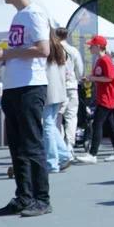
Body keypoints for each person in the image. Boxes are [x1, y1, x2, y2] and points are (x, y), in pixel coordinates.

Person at [0, 0, 53, 217]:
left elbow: (43, 49)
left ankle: (42, 199)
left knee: (32, 144)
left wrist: (7, 54)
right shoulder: (19, 16)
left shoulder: (34, 13)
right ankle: (24, 196)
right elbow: (22, 50)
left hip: (30, 86)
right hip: (15, 86)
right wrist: (1, 60)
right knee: (17, 146)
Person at [75, 35, 114, 164]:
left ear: (98, 47)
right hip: (104, 96)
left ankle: (93, 154)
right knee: (110, 124)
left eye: (91, 46)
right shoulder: (100, 60)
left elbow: (109, 77)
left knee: (97, 124)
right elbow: (101, 76)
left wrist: (93, 78)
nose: (89, 48)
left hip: (107, 96)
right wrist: (90, 78)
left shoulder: (105, 60)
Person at [42, 27, 74, 173]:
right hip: (59, 91)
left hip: (48, 91)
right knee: (51, 125)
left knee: (47, 126)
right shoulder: (60, 49)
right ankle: (63, 155)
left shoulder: (45, 49)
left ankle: (52, 161)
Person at [53, 28, 82, 150]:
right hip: (72, 85)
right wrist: (78, 79)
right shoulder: (73, 50)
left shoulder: (53, 49)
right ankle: (70, 144)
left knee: (57, 116)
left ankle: (60, 145)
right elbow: (79, 70)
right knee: (71, 116)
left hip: (57, 86)